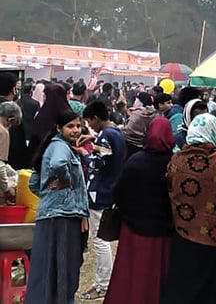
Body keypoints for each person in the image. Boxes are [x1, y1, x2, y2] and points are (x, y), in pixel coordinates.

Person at [160, 114, 216, 304]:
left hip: (183, 231)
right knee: (211, 287)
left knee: (182, 286)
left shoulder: (177, 160)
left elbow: (169, 188)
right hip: (214, 237)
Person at [104, 116, 175, 304]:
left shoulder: (135, 162)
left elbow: (119, 193)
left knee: (132, 273)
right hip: (163, 232)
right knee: (157, 275)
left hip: (133, 230)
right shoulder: (175, 164)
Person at [24, 109, 90, 304]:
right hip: (63, 217)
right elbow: (59, 164)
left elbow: (34, 183)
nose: (76, 130)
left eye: (78, 126)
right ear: (59, 128)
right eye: (70, 126)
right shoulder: (60, 147)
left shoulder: (53, 146)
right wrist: (66, 182)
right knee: (63, 268)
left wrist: (49, 195)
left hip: (52, 215)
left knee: (47, 267)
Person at [80, 101, 127, 301]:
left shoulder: (105, 135)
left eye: (89, 122)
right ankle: (104, 281)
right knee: (103, 240)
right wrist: (94, 139)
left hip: (100, 192)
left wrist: (84, 154)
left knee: (100, 241)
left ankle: (102, 284)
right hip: (111, 190)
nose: (89, 126)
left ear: (96, 118)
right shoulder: (116, 132)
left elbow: (98, 162)